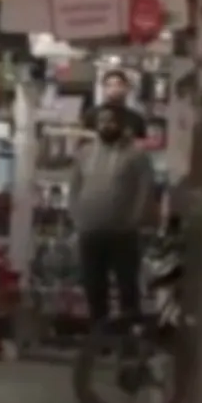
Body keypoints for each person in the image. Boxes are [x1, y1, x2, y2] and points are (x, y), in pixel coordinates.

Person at [71, 105, 156, 331]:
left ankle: (129, 338)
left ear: (121, 124)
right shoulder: (85, 153)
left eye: (111, 121)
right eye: (102, 121)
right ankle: (99, 334)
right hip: (90, 230)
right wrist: (77, 217)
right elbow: (75, 187)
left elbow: (145, 189)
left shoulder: (136, 155)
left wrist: (135, 218)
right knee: (93, 286)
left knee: (127, 285)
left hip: (123, 232)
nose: (106, 125)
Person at [85, 69, 146, 141]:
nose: (114, 89)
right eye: (109, 85)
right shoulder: (92, 114)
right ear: (104, 89)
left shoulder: (136, 119)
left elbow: (142, 144)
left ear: (126, 88)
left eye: (119, 85)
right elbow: (83, 141)